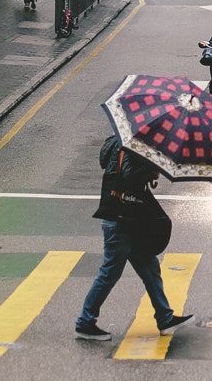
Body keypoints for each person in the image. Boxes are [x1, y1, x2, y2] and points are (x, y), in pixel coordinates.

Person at [75, 134, 196, 341]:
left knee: (149, 268)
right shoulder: (133, 145)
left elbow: (108, 162)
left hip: (128, 217)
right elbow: (129, 176)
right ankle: (85, 322)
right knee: (110, 273)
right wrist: (151, 170)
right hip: (121, 219)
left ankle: (165, 318)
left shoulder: (115, 140)